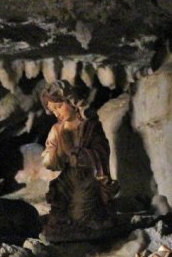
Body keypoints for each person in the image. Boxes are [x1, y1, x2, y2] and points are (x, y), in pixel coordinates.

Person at [40, 81, 118, 240]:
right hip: (68, 177)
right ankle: (63, 225)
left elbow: (102, 149)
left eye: (59, 106)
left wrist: (84, 155)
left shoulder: (90, 125)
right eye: (53, 110)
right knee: (59, 200)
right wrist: (53, 156)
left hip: (89, 178)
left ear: (72, 102)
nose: (57, 113)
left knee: (80, 211)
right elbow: (50, 157)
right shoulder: (57, 130)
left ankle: (91, 223)